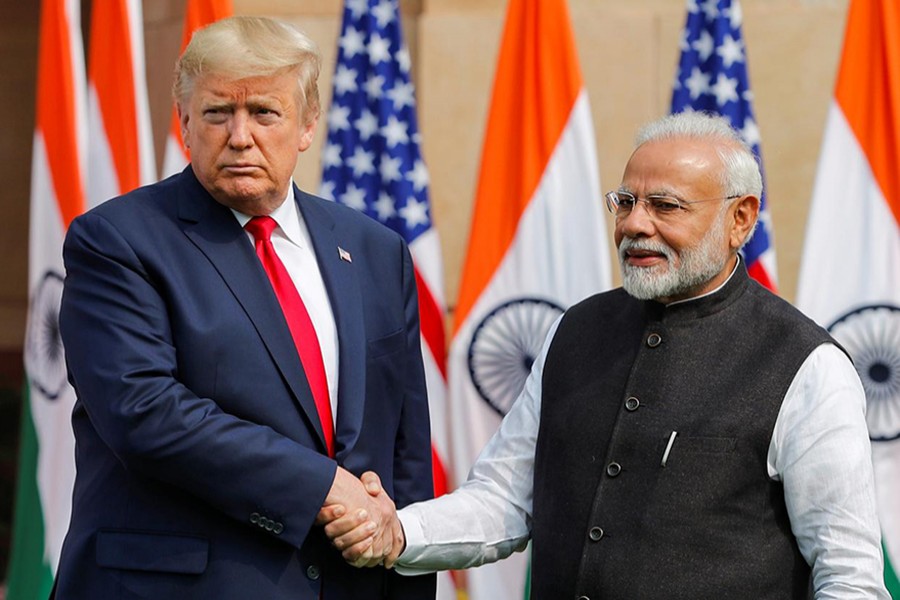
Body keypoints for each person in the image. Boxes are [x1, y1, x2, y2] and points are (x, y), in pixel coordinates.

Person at [320, 112, 890, 598]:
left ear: (739, 218)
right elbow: (503, 500)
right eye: (626, 202)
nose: (635, 225)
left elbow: (849, 575)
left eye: (666, 206)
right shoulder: (576, 330)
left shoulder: (805, 364)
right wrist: (398, 531)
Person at [54, 15, 434, 600]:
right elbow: (144, 412)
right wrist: (321, 487)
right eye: (217, 113)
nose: (239, 136)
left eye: (263, 112)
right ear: (185, 123)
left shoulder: (376, 252)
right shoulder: (117, 241)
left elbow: (405, 452)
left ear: (307, 124)